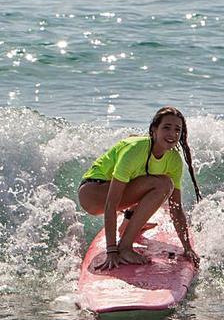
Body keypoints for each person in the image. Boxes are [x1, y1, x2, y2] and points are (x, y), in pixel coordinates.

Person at [78, 106, 201, 270]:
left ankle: (128, 222)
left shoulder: (174, 160)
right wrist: (112, 251)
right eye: (166, 127)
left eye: (177, 129)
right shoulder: (135, 150)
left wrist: (187, 248)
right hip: (92, 193)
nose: (172, 134)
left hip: (116, 194)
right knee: (162, 184)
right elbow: (111, 204)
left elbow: (176, 208)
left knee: (160, 184)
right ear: (154, 130)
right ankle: (125, 247)